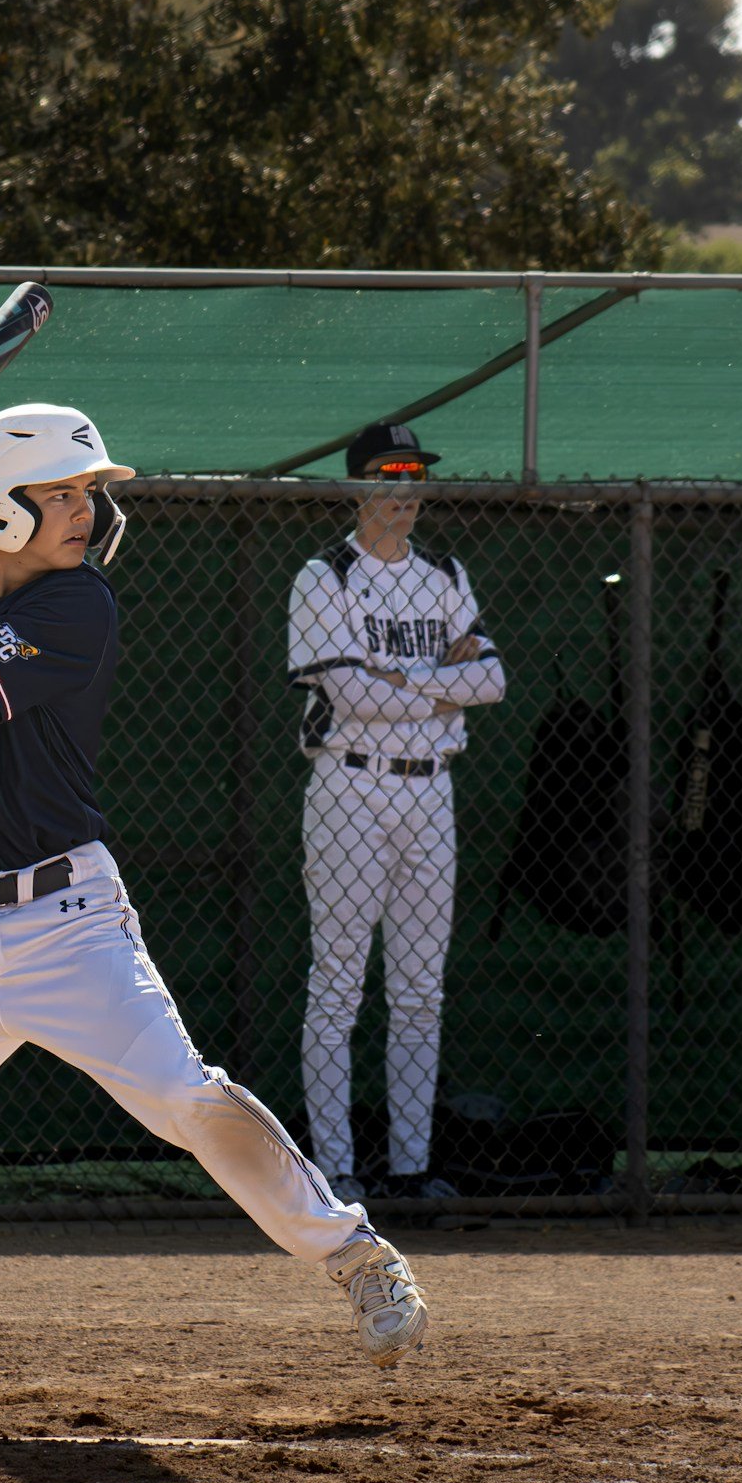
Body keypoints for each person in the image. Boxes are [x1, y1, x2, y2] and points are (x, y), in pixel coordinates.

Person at [0, 402, 429, 1412]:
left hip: (66, 922)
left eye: (85, 492)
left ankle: (357, 1253)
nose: (82, 511)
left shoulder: (79, 608)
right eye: (58, 494)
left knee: (184, 1096)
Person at [287, 422, 506, 1203]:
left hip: (430, 788)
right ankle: (335, 1168)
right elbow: (349, 695)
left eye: (413, 476)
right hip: (350, 786)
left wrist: (396, 676)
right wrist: (436, 677)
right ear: (358, 488)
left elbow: (492, 681)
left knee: (418, 990)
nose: (404, 492)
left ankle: (411, 1169)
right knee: (338, 982)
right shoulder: (325, 576)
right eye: (389, 476)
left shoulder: (443, 571)